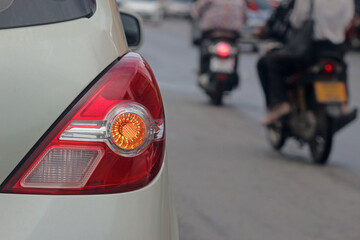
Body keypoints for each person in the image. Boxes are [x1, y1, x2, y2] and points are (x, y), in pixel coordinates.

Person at [257, 0, 355, 124]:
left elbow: (297, 20)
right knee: (341, 68)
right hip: (336, 49)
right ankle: (343, 104)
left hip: (310, 49)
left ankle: (280, 103)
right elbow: (348, 21)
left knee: (269, 62)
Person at [191, 0, 247, 74]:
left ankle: (203, 70)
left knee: (203, 46)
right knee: (235, 50)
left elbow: (196, 11)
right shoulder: (240, 1)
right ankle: (234, 70)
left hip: (212, 31)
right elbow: (245, 16)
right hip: (232, 33)